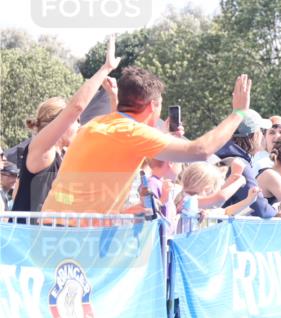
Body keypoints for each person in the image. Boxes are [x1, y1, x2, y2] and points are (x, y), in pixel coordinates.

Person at [42, 64, 252, 217]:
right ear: (152, 106)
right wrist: (238, 113)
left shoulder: (95, 124)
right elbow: (201, 150)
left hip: (51, 226)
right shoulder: (133, 133)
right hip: (80, 236)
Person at [14, 37, 120, 216]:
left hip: (48, 238)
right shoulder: (42, 150)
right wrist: (106, 68)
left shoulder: (62, 156)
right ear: (58, 123)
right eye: (76, 121)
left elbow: (113, 137)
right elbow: (76, 107)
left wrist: (113, 99)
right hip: (27, 240)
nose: (80, 125)